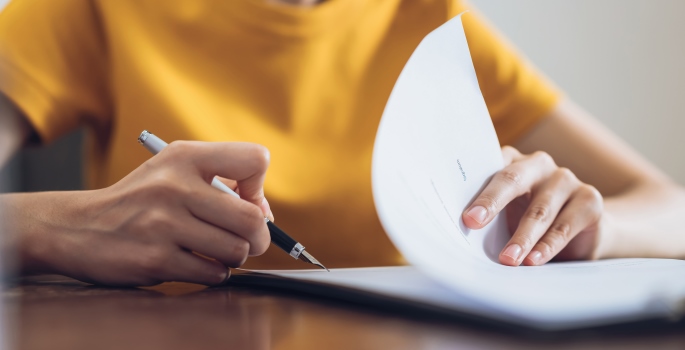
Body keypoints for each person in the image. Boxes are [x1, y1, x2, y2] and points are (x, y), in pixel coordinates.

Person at [0, 0, 683, 286]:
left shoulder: (425, 20)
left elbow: (671, 207)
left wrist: (590, 226)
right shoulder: (95, 7)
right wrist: (59, 226)